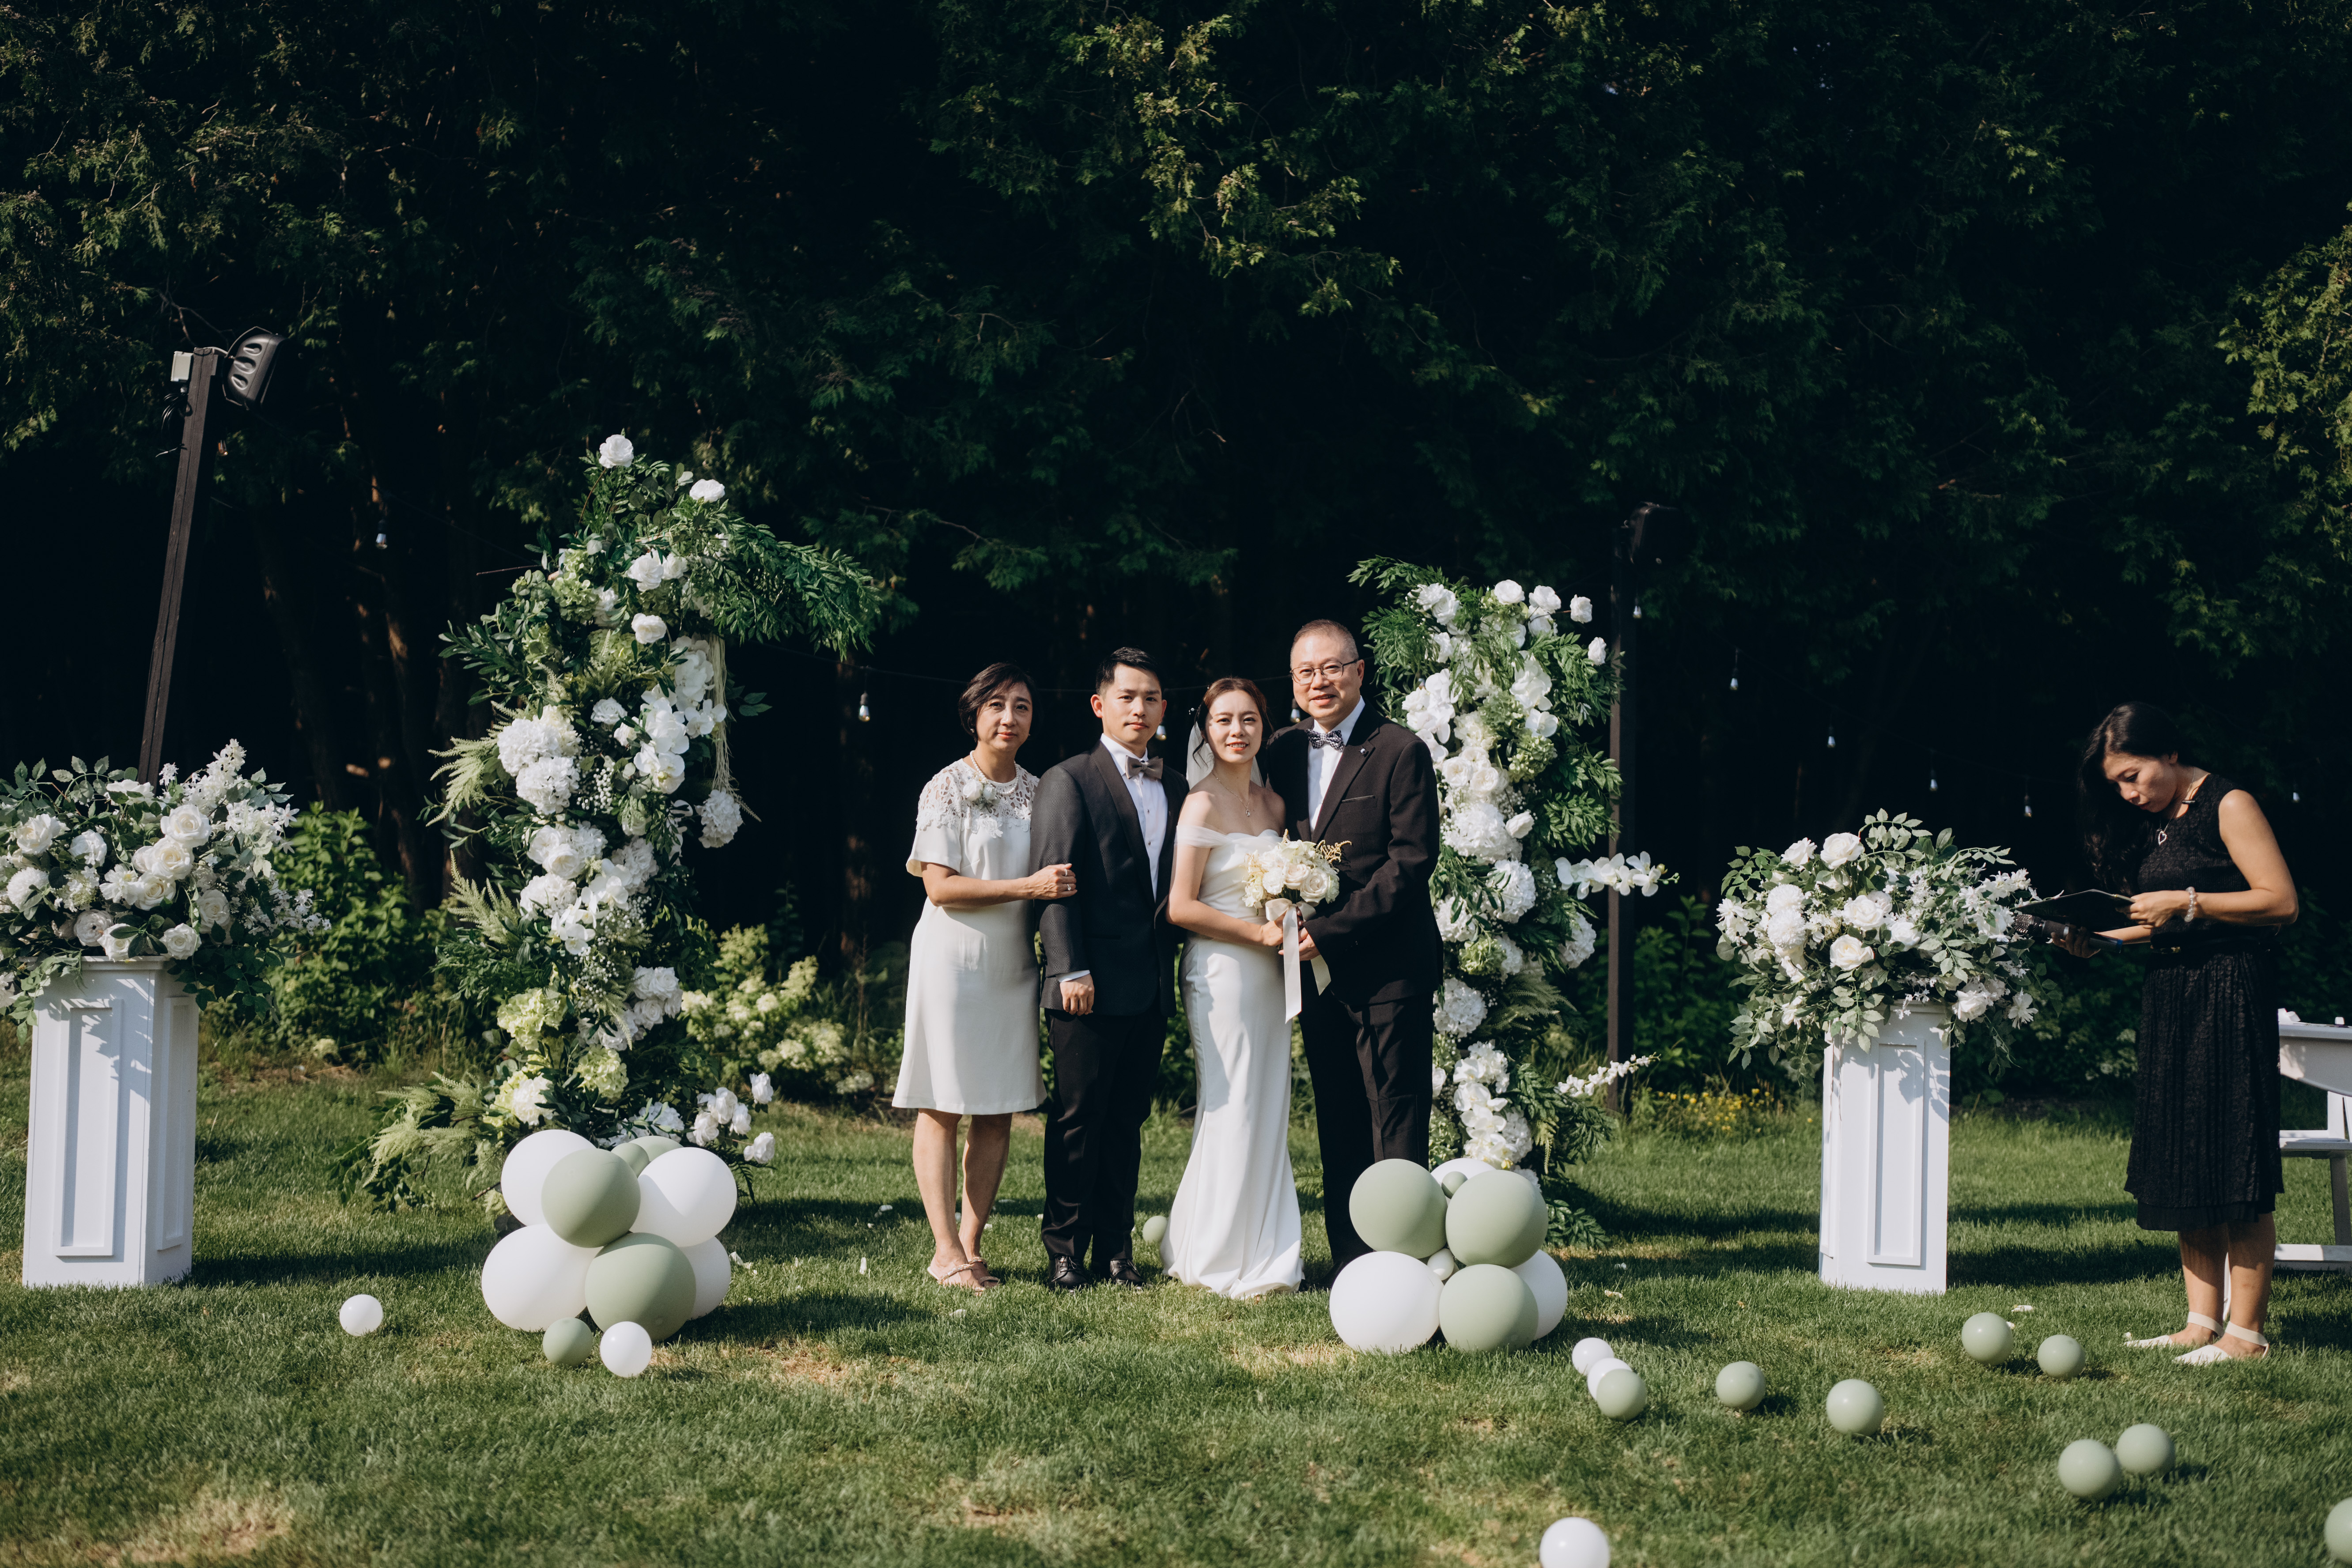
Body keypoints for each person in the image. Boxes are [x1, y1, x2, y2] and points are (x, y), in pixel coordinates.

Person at [2060, 700, 2299, 1363]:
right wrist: (2101, 940)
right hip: (2171, 995)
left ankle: (2245, 1336)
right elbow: (2163, 921)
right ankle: (2200, 1323)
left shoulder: (2229, 804)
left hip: (2229, 992)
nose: (2127, 793)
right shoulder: (2156, 823)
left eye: (2132, 776)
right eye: (2116, 785)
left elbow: (2280, 901)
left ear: (2169, 753)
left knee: (2232, 1153)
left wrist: (2186, 900)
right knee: (2183, 1150)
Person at [1261, 620, 1443, 1276]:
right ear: (1293, 682)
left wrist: (1330, 932)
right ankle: (1351, 1262)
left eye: (1332, 668)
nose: (1320, 682)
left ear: (1359, 672)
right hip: (1315, 976)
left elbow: (1410, 861)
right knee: (1337, 1117)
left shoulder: (1399, 750)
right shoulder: (1281, 751)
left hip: (1388, 967)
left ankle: (1405, 1260)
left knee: (1395, 1116)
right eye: (1306, 672)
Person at [896, 662, 1074, 1293]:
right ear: (973, 714)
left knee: (999, 1107)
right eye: (996, 705)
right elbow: (940, 888)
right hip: (951, 962)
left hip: (1012, 965)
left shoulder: (1042, 791)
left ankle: (971, 1247)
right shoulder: (945, 786)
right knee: (943, 1102)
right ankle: (943, 1250)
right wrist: (1028, 887)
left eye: (1021, 707)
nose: (1009, 718)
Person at [1029, 648, 1187, 1291]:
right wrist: (1068, 968)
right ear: (1100, 705)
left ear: (1163, 709)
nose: (1139, 709)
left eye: (1150, 698)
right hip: (1086, 984)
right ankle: (1064, 1250)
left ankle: (1116, 1252)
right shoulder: (1068, 780)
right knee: (1077, 1119)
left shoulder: (1176, 787)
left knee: (1127, 1122)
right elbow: (1055, 882)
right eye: (1127, 697)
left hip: (1149, 983)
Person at [1162, 678, 1304, 1298]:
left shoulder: (1275, 807)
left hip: (1272, 975)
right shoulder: (1200, 804)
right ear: (1206, 730)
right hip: (1222, 969)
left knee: (1268, 1104)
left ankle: (1267, 1249)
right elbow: (1180, 906)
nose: (1236, 731)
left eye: (1248, 719)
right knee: (1231, 1103)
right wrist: (1257, 935)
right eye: (1223, 720)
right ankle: (1214, 1253)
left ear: (1264, 728)